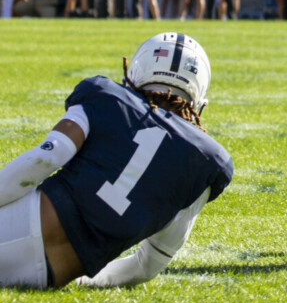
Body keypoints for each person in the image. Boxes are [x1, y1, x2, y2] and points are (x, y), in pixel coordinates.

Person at [0, 33, 232, 288]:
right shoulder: (205, 162)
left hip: (19, 223)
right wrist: (80, 282)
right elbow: (147, 265)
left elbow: (46, 158)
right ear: (199, 103)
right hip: (46, 277)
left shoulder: (104, 95)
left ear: (134, 73)